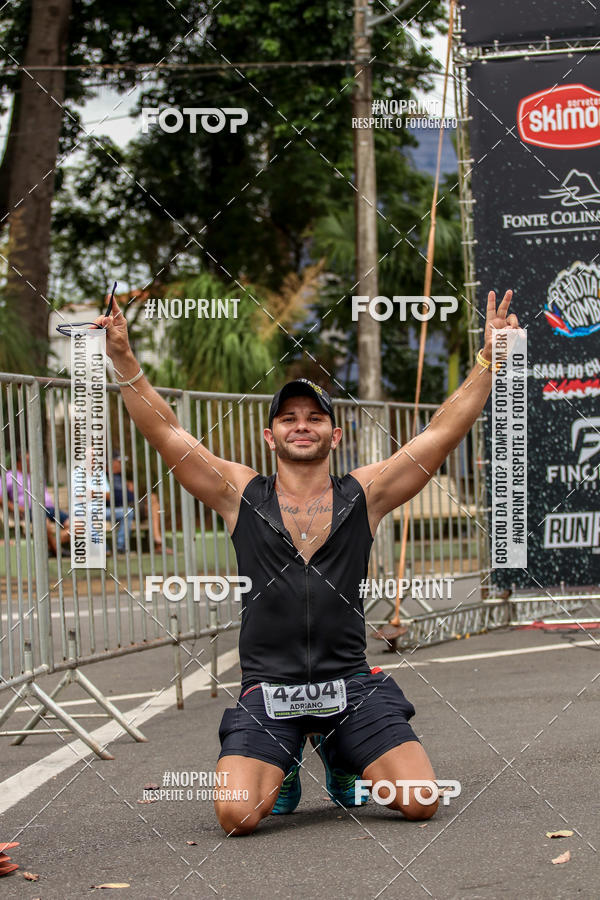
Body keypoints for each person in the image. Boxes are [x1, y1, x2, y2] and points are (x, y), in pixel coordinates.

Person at [96, 289, 520, 835]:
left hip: (348, 682)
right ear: (269, 436)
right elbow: (167, 433)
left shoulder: (364, 493)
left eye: (315, 417)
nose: (303, 425)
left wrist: (489, 361)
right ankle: (288, 754)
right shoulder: (240, 493)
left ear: (334, 434)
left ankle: (340, 751)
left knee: (419, 801)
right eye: (289, 418)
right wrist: (124, 359)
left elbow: (440, 433)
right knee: (237, 814)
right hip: (270, 688)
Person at [0, 451, 70, 556]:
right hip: (29, 510)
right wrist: (14, 507)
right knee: (43, 522)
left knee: (77, 524)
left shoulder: (36, 475)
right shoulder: (10, 476)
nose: (30, 463)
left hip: (50, 509)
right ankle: (58, 552)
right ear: (18, 462)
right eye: (27, 461)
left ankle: (52, 545)